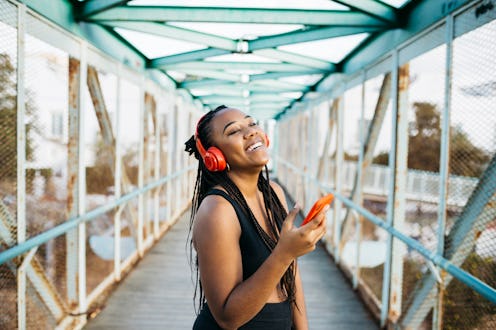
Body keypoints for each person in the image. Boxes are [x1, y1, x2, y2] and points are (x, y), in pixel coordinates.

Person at [184, 105, 328, 329]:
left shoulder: (274, 192)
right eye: (233, 131)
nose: (250, 131)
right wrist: (285, 252)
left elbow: (291, 274)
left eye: (252, 123)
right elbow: (228, 318)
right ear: (215, 156)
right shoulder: (218, 210)